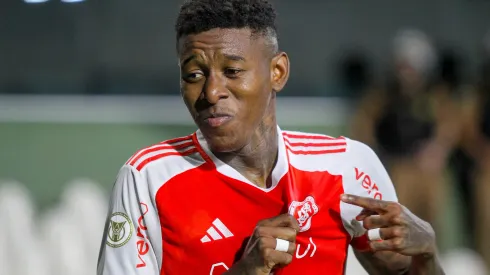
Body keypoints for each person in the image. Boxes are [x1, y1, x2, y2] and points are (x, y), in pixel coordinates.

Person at [97, 1, 445, 274]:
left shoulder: (346, 168)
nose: (212, 91)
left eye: (232, 71)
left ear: (277, 72)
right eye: (194, 74)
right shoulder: (147, 178)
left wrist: (426, 256)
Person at [350, 30, 460, 233]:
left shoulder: (435, 95)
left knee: (430, 224)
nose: (405, 73)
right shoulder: (383, 94)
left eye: (410, 67)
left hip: (428, 171)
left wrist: (437, 149)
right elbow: (363, 125)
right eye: (402, 66)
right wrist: (375, 158)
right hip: (397, 167)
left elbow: (450, 126)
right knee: (400, 221)